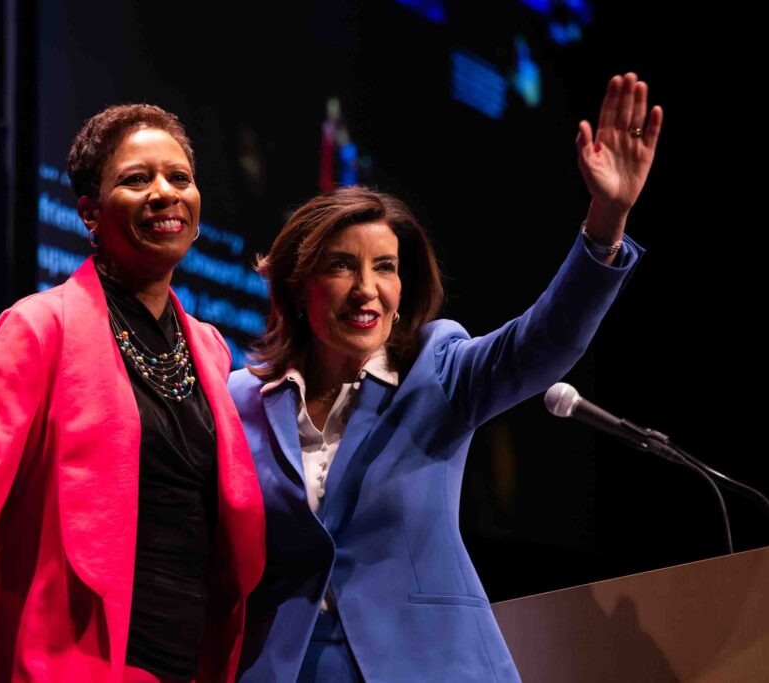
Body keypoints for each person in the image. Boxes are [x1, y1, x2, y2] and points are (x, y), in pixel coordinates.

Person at [228, 73, 661, 682]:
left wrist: (605, 221)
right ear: (300, 288)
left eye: (385, 268)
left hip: (430, 665)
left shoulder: (436, 366)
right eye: (342, 267)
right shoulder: (240, 399)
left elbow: (544, 341)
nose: (368, 289)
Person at [0, 104, 265, 683]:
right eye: (137, 179)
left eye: (179, 177)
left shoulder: (210, 349)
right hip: (70, 665)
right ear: (88, 213)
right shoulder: (39, 328)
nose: (165, 193)